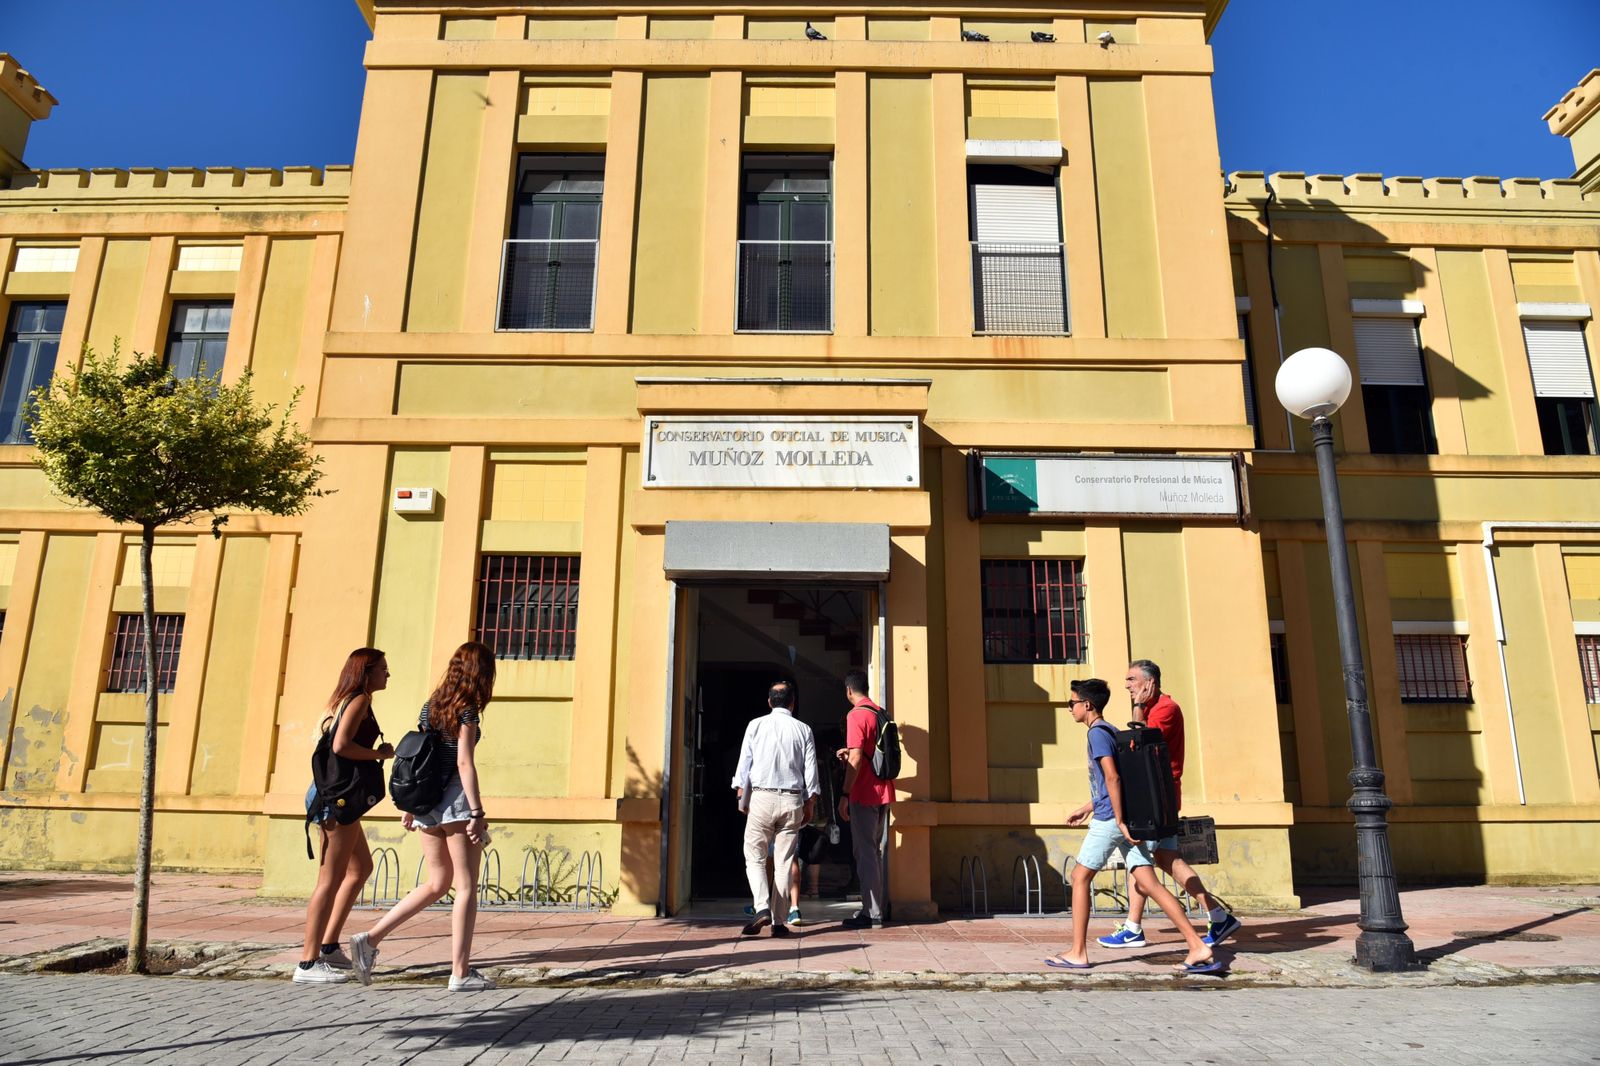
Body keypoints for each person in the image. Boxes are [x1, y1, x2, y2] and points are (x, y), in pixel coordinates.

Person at [349, 641, 496, 991]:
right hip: (455, 804)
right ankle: (460, 973)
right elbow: (464, 763)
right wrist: (476, 812)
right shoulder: (467, 710)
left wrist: (413, 808)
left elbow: (419, 758)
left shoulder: (431, 708)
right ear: (481, 674)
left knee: (436, 883)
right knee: (465, 888)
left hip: (426, 803)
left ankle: (370, 939)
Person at [1045, 678, 1218, 973]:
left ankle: (1077, 952)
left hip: (1111, 820)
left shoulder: (1097, 735)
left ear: (1087, 705)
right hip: (1121, 818)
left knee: (1079, 877)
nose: (1069, 708)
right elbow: (1112, 783)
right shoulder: (1111, 730)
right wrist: (1087, 808)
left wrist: (1118, 820)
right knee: (1149, 883)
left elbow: (1113, 778)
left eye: (1071, 703)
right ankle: (1198, 946)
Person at [1098, 660, 1242, 950]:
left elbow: (1138, 742)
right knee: (1166, 859)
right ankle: (1217, 914)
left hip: (1157, 796)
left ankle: (1133, 928)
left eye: (1132, 679)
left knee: (1139, 858)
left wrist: (1138, 708)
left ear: (1150, 682)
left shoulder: (1166, 709)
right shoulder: (1154, 708)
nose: (1127, 686)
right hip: (1157, 794)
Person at [294, 648, 395, 985]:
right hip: (334, 799)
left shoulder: (340, 700)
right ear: (365, 673)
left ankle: (327, 946)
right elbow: (340, 746)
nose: (387, 674)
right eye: (382, 669)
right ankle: (307, 963)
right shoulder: (358, 701)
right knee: (329, 879)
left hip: (336, 797)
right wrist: (377, 754)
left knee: (360, 868)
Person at [731, 679, 819, 937]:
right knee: (784, 861)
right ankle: (779, 923)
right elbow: (811, 770)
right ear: (793, 703)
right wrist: (810, 801)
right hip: (792, 799)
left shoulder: (755, 725)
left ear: (769, 702)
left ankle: (762, 907)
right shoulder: (803, 729)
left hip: (762, 797)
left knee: (754, 855)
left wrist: (740, 795)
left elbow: (744, 763)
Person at [836, 668, 891, 930]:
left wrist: (845, 793)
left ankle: (872, 913)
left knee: (866, 853)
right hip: (883, 790)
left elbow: (857, 758)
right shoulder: (880, 712)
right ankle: (876, 907)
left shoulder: (856, 715)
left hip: (864, 792)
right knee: (875, 852)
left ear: (849, 690)